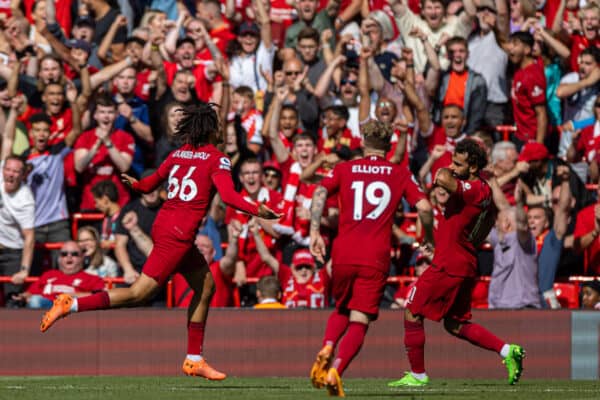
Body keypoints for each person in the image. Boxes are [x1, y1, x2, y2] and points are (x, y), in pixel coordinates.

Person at [40, 103, 281, 381]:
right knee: (137, 293)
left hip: (165, 226)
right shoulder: (218, 159)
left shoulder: (177, 154)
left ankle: (193, 359)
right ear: (211, 129)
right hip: (177, 235)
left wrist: (137, 185)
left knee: (205, 288)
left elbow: (150, 183)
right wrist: (258, 210)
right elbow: (228, 197)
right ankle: (70, 304)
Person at [308, 119, 434, 397]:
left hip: (343, 251)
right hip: (374, 255)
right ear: (389, 145)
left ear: (363, 141)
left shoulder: (344, 168)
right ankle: (336, 370)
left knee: (341, 308)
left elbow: (318, 191)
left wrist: (314, 231)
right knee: (360, 318)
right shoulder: (399, 172)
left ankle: (328, 345)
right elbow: (424, 207)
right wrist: (429, 237)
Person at [388, 139, 525, 388]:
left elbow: (440, 178)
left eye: (458, 163)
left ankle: (417, 375)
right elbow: (482, 229)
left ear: (472, 168)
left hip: (450, 264)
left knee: (411, 309)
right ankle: (507, 351)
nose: (452, 166)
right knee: (455, 324)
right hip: (463, 261)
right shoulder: (484, 189)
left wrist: (448, 169)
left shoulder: (472, 189)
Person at [11, 241, 105, 309]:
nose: (69, 256)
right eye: (64, 254)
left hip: (72, 310)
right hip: (44, 309)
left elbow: (100, 297)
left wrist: (70, 296)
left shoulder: (93, 279)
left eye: (74, 254)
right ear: (59, 258)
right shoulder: (48, 275)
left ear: (83, 258)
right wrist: (22, 296)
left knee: (36, 301)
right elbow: (30, 293)